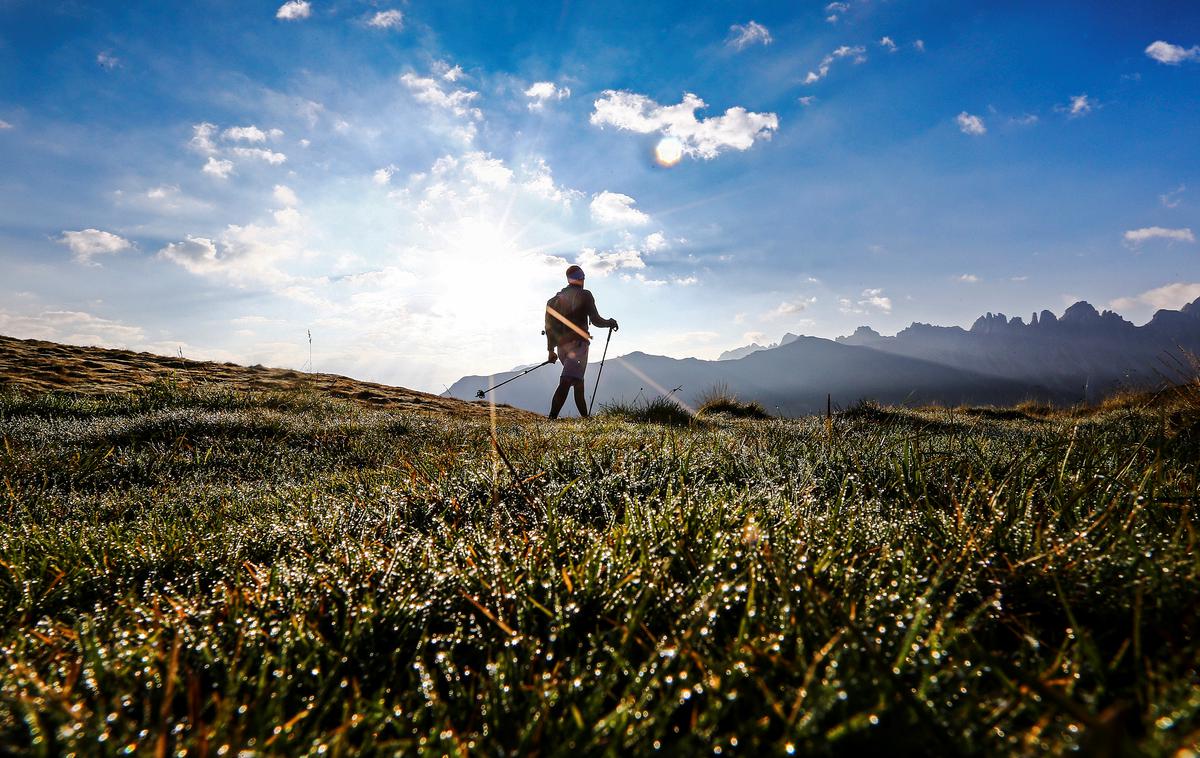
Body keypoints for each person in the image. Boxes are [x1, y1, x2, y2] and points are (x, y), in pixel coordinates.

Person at [545, 265, 618, 418]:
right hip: (578, 346)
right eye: (583, 277)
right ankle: (551, 419)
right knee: (566, 381)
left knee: (578, 384)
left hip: (562, 348)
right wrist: (609, 322)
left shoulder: (553, 301)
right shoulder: (585, 295)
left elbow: (549, 327)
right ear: (581, 278)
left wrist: (551, 351)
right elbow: (596, 320)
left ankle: (586, 419)